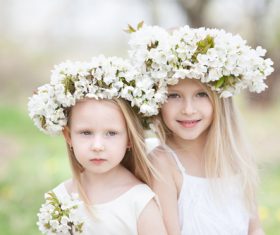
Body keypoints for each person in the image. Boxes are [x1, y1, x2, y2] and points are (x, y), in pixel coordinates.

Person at [127, 24, 274, 235]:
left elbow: (255, 228)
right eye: (174, 95)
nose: (188, 109)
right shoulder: (162, 165)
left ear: (221, 101)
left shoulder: (237, 157)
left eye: (201, 94)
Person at [28, 56, 167, 235]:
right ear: (69, 136)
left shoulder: (139, 201)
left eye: (111, 133)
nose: (97, 146)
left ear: (130, 139)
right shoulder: (59, 198)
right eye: (86, 133)